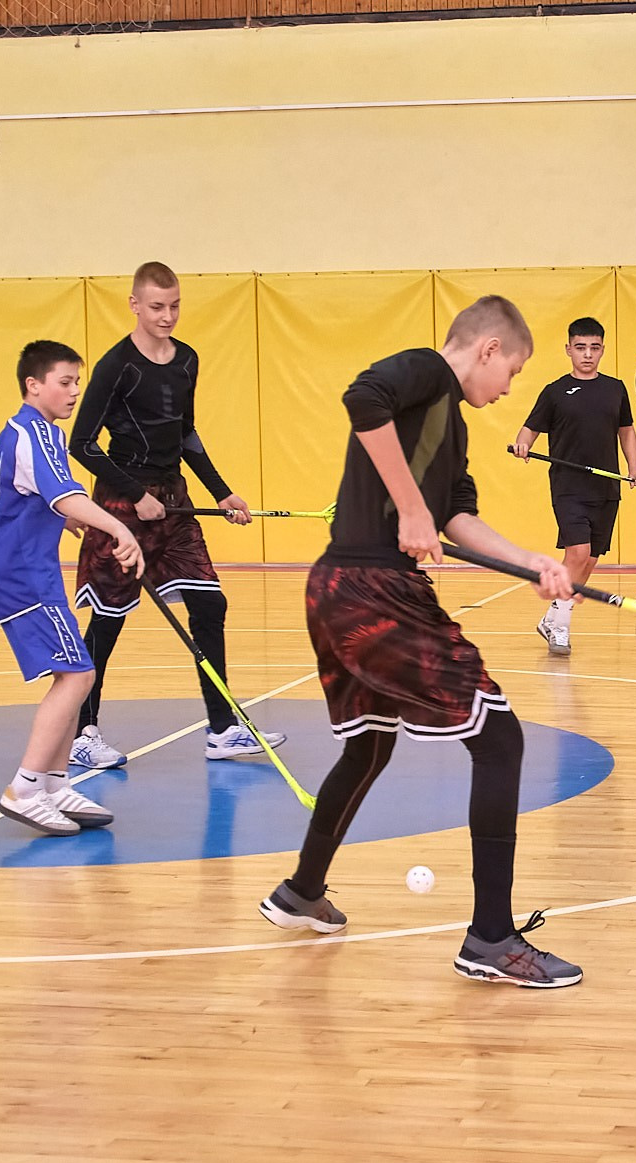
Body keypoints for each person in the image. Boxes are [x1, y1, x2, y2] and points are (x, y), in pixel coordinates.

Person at [258, 296, 584, 988]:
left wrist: (535, 562)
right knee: (500, 739)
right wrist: (408, 507)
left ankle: (301, 891)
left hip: (340, 592)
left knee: (370, 743)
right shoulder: (426, 373)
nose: (507, 389)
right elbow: (362, 398)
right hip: (371, 590)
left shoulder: (453, 431)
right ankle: (491, 938)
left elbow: (459, 517)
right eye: (513, 371)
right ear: (489, 348)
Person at [65, 260, 282, 769]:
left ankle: (222, 731)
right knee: (109, 618)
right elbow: (82, 443)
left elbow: (186, 434)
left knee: (210, 605)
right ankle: (82, 732)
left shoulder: (187, 360)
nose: (168, 316)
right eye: (158, 307)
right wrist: (135, 493)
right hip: (122, 502)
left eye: (175, 306)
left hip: (175, 501)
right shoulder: (117, 365)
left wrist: (223, 492)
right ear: (135, 305)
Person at [0, 340, 144, 836]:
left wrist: (58, 519)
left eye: (77, 383)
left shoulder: (15, 434)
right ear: (34, 384)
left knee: (77, 672)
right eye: (65, 382)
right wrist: (119, 528)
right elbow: (65, 494)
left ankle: (53, 782)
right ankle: (25, 787)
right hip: (21, 574)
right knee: (76, 677)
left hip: (22, 569)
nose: (73, 393)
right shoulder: (40, 434)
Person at [511, 316, 636, 655]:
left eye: (595, 348)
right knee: (578, 553)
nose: (587, 354)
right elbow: (529, 428)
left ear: (602, 349)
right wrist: (522, 443)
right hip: (568, 485)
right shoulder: (555, 391)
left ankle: (554, 616)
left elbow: (626, 430)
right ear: (568, 349)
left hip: (606, 487)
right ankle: (561, 627)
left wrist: (635, 468)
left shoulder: (615, 388)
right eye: (581, 348)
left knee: (589, 561)